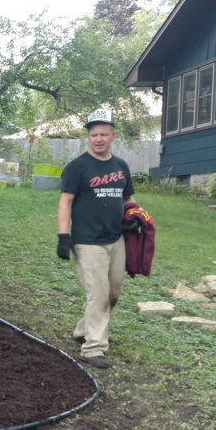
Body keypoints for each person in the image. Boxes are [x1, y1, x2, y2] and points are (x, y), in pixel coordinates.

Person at [56, 108, 137, 370]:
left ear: (113, 135)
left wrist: (134, 215)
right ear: (87, 137)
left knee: (112, 293)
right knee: (98, 293)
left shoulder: (121, 166)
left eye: (104, 134)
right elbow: (65, 203)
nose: (98, 139)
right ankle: (93, 348)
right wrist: (63, 236)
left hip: (116, 239)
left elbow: (128, 199)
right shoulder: (77, 167)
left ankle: (83, 329)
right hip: (88, 241)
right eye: (93, 134)